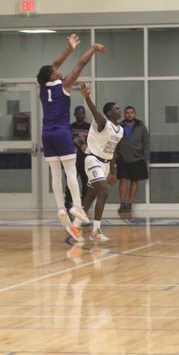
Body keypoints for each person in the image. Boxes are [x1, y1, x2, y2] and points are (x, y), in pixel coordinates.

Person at [36, 34, 105, 242]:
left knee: (56, 173)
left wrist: (69, 48)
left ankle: (60, 208)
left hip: (46, 134)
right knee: (71, 171)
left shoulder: (42, 87)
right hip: (61, 133)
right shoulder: (64, 85)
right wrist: (92, 48)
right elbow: (81, 65)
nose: (59, 69)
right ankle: (76, 206)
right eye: (56, 71)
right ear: (52, 76)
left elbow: (53, 64)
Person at [79, 82, 123, 242]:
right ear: (109, 113)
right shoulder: (103, 122)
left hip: (105, 163)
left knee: (91, 194)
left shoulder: (121, 130)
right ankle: (96, 231)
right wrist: (87, 97)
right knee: (103, 191)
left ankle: (76, 225)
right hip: (92, 159)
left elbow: (114, 151)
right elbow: (94, 111)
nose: (120, 110)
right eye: (116, 108)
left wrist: (113, 172)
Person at [115, 106, 150, 213]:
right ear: (124, 114)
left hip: (137, 158)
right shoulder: (119, 126)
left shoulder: (141, 126)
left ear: (134, 114)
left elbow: (146, 142)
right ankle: (122, 204)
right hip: (122, 158)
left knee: (135, 181)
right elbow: (114, 142)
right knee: (123, 180)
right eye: (127, 113)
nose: (129, 114)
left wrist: (145, 157)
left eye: (131, 112)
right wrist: (114, 156)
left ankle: (129, 203)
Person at [64, 105, 90, 210]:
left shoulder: (89, 127)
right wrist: (80, 143)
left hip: (86, 159)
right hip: (73, 158)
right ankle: (68, 202)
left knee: (86, 182)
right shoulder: (70, 127)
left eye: (82, 113)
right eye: (78, 113)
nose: (81, 115)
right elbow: (68, 140)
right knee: (71, 181)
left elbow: (92, 141)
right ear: (75, 115)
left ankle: (84, 203)